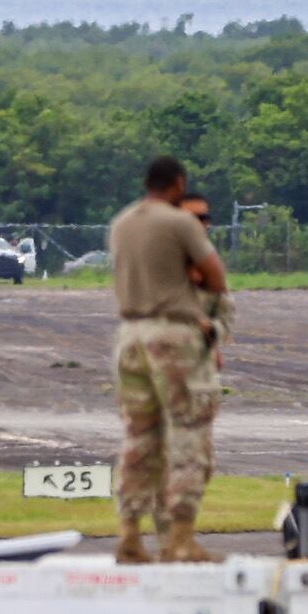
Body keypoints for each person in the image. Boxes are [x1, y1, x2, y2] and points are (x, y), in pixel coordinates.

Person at [109, 157, 230, 564]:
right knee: (188, 435)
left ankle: (128, 534)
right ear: (177, 184)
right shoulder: (180, 225)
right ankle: (180, 538)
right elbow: (216, 278)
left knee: (137, 438)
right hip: (172, 332)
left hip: (129, 335)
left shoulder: (122, 223)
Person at [179, 193, 237, 357]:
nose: (197, 223)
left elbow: (225, 317)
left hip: (198, 365)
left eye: (203, 218)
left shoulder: (211, 266)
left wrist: (210, 334)